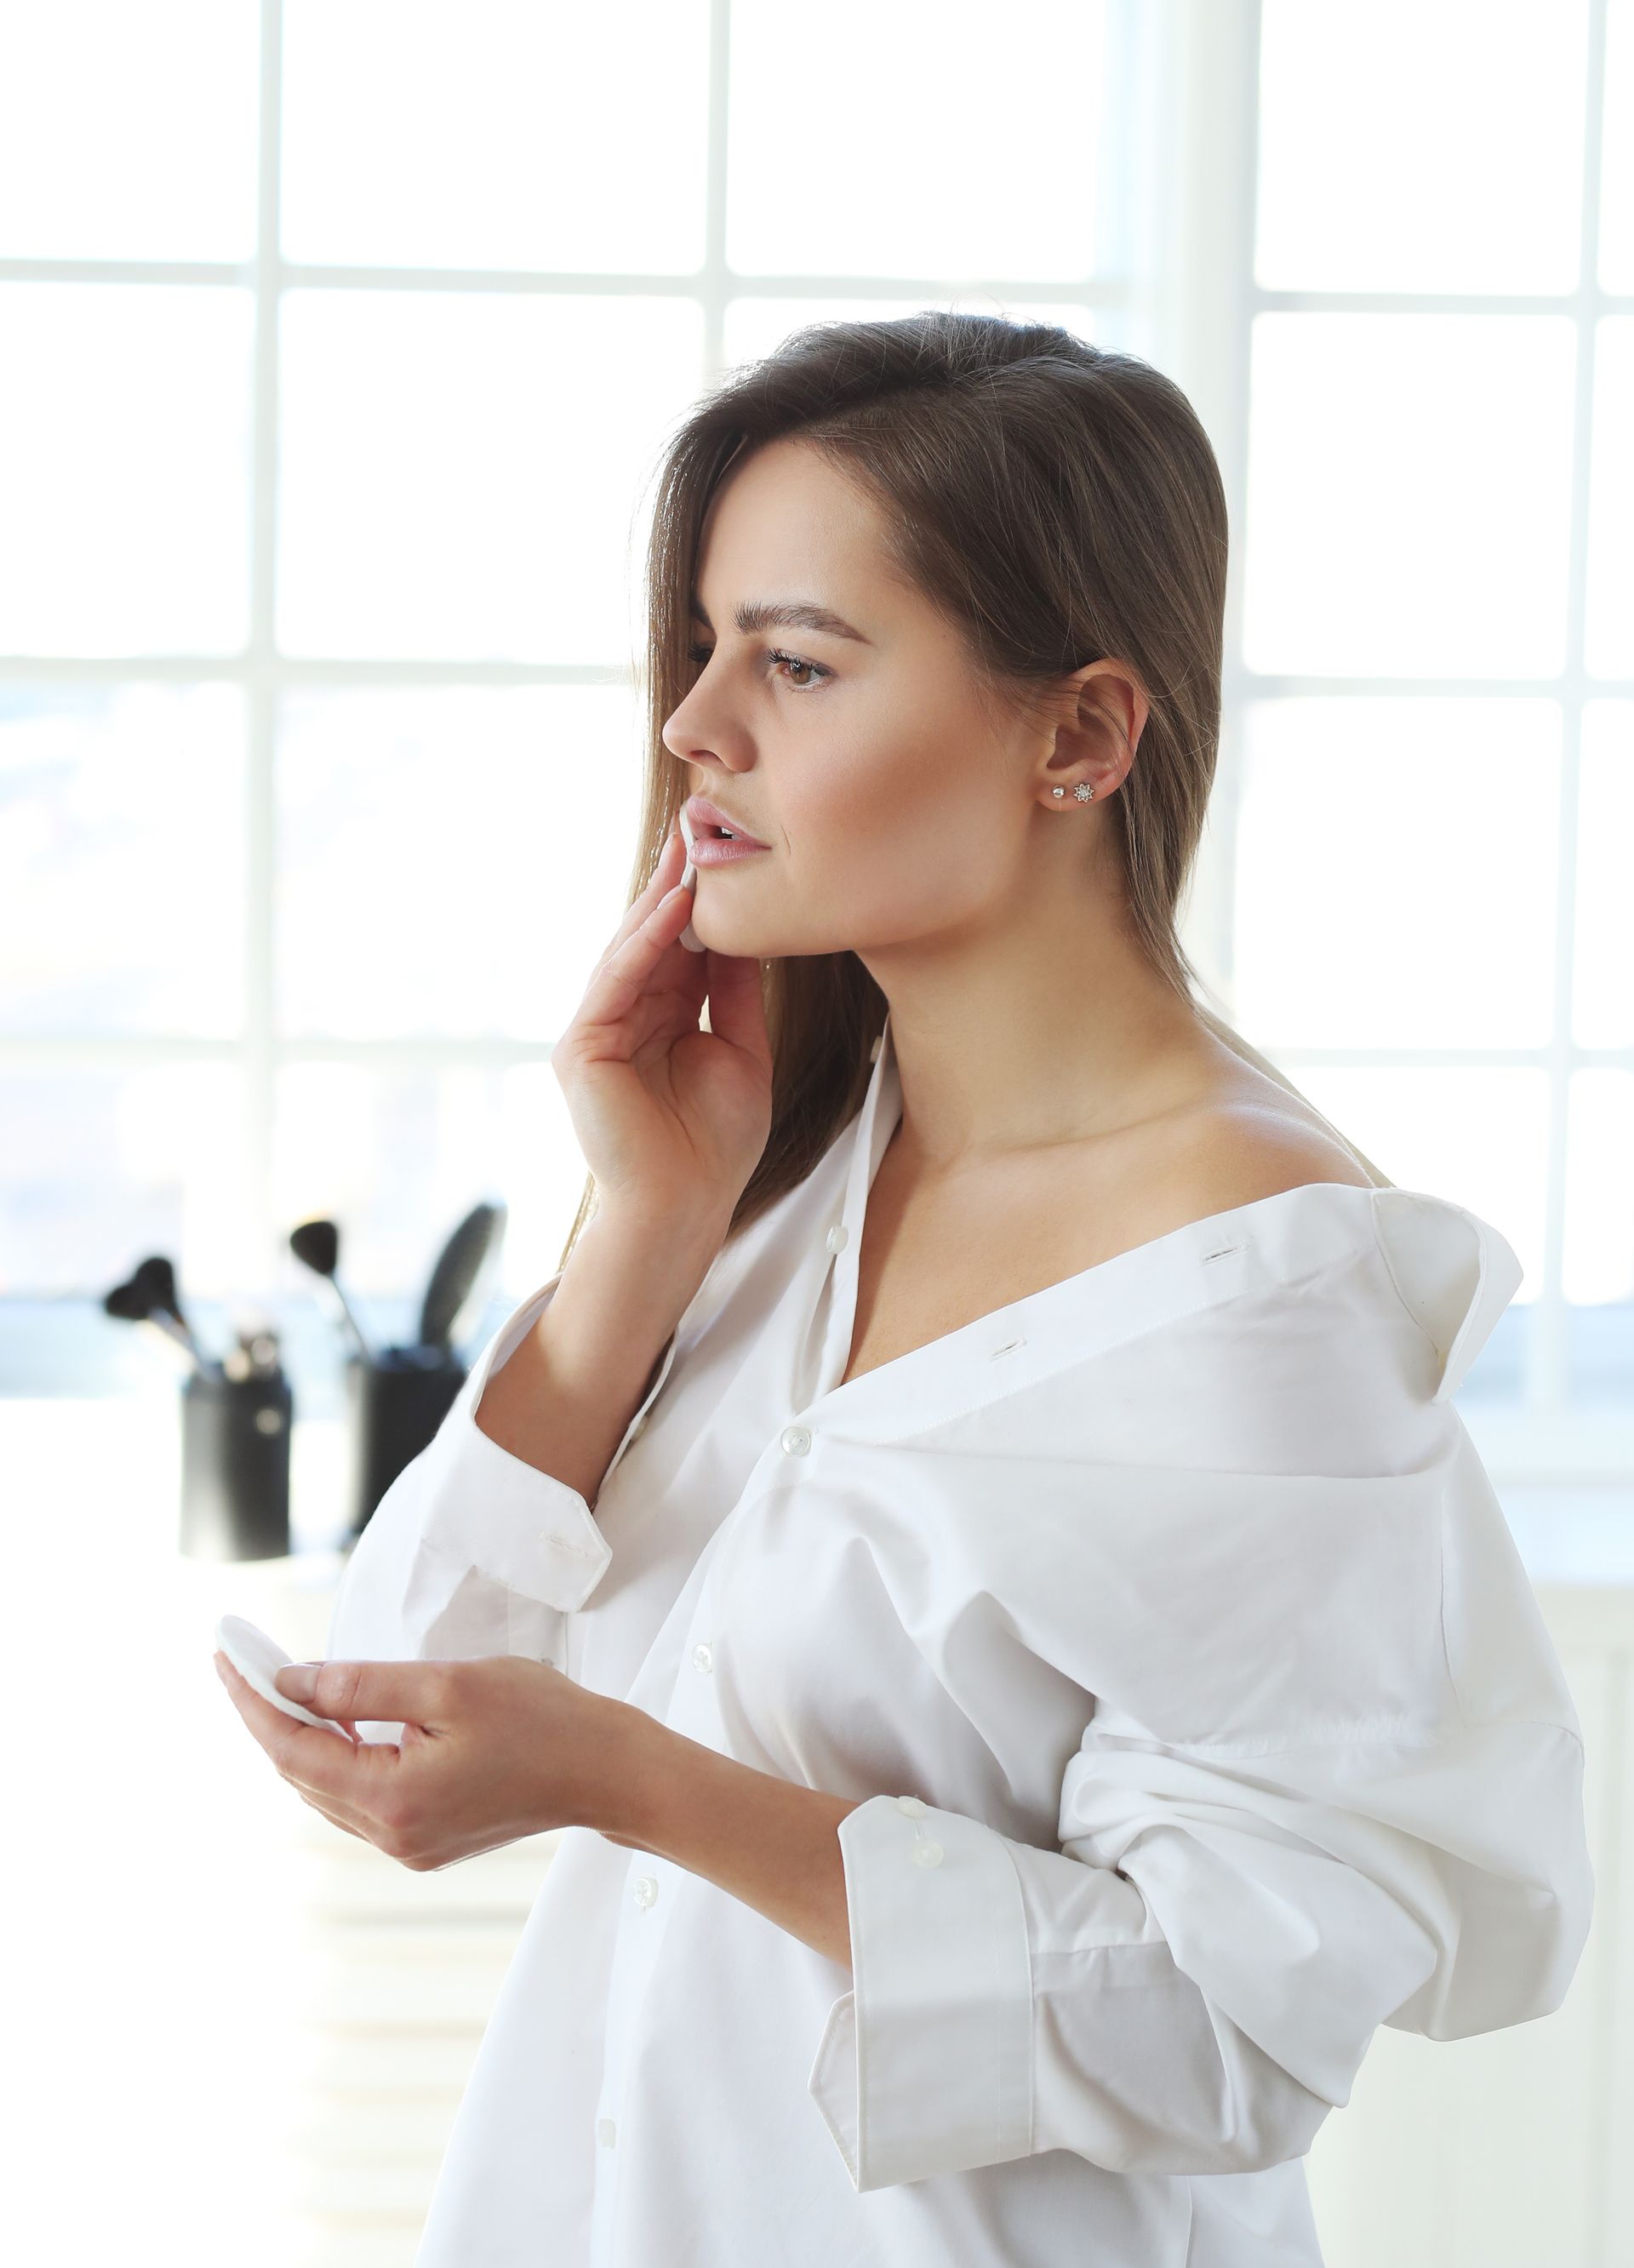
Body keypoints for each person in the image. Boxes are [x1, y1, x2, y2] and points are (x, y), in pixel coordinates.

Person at [216, 312, 1593, 2266]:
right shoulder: (792, 1160)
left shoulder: (1254, 1292)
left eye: (794, 660)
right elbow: (405, 1675)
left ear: (1082, 735)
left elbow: (1229, 2024)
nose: (698, 725)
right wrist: (645, 1227)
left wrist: (638, 1784)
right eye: (701, 645)